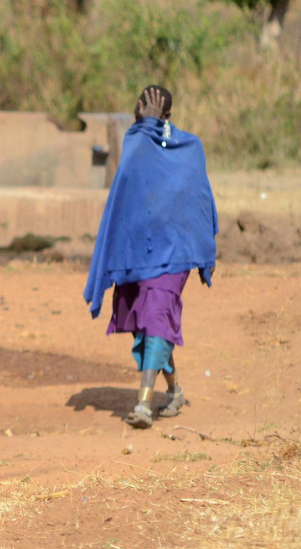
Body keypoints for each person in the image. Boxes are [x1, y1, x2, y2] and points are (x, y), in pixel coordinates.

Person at [83, 86, 218, 430]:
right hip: (138, 251)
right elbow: (127, 182)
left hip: (175, 253)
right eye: (140, 110)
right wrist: (145, 129)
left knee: (156, 318)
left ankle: (143, 404)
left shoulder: (188, 147)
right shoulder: (136, 142)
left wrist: (200, 247)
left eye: (148, 110)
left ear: (164, 114)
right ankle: (174, 391)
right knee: (145, 325)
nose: (142, 114)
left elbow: (199, 199)